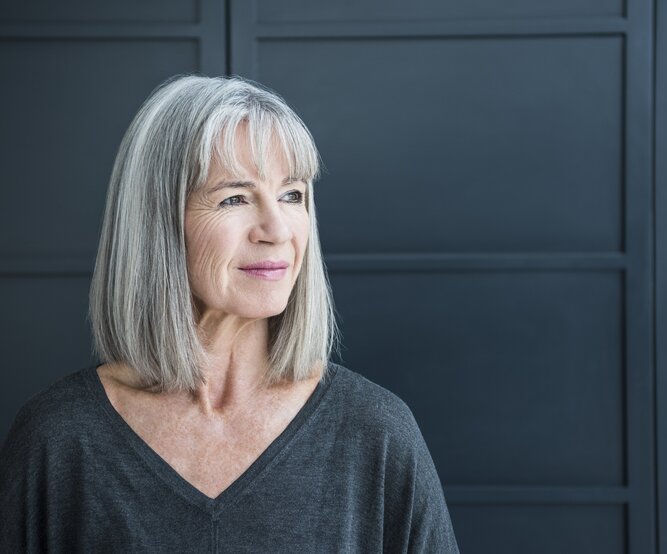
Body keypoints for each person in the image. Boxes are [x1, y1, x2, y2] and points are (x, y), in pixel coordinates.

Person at [0, 75, 459, 552]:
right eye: (235, 198)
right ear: (157, 221)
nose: (276, 229)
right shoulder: (57, 441)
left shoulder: (377, 434)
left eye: (292, 195)